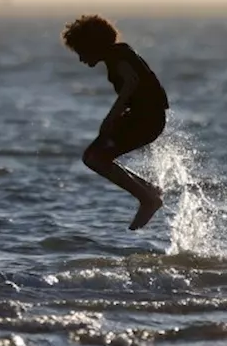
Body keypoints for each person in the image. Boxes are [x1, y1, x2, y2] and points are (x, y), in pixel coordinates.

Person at [61, 14, 169, 230]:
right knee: (93, 157)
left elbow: (131, 82)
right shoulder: (120, 53)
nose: (81, 59)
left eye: (81, 52)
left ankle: (148, 198)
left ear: (92, 46)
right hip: (146, 117)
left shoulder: (117, 57)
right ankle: (150, 190)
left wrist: (111, 117)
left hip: (147, 119)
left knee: (94, 158)